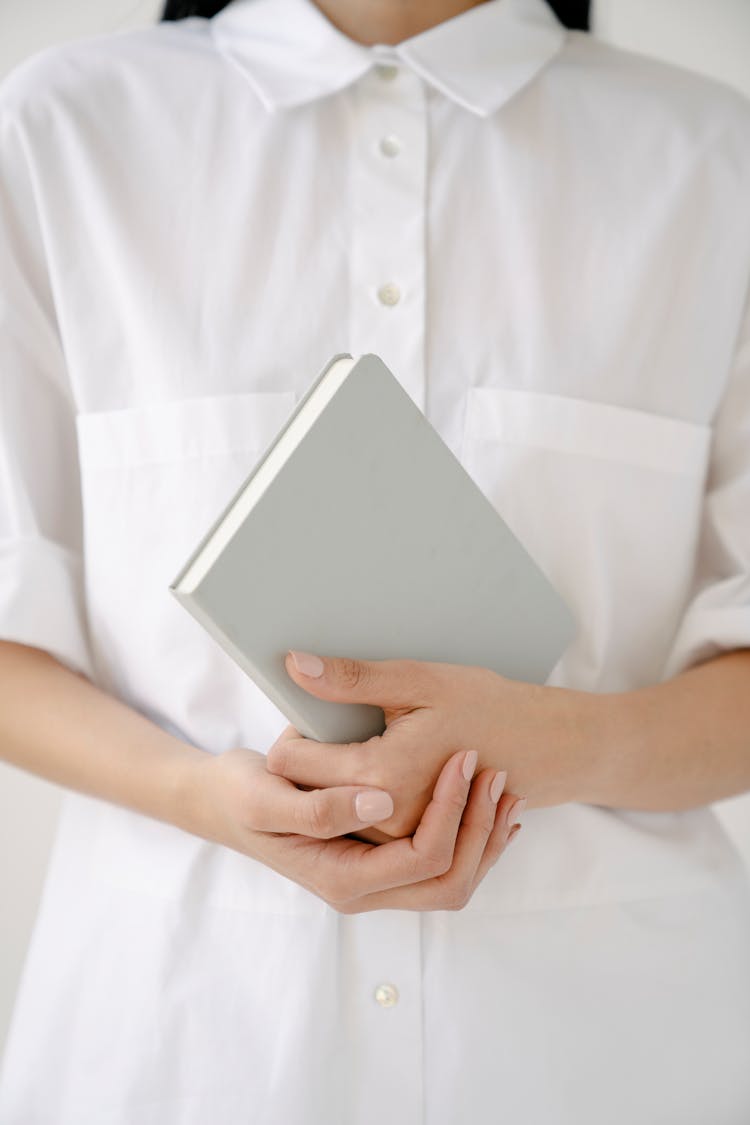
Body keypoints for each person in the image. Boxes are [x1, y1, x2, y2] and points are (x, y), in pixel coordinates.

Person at [1, 0, 749, 1120]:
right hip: (184, 1049)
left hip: (608, 1057)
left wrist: (556, 745)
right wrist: (203, 797)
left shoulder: (711, 159)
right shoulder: (63, 131)